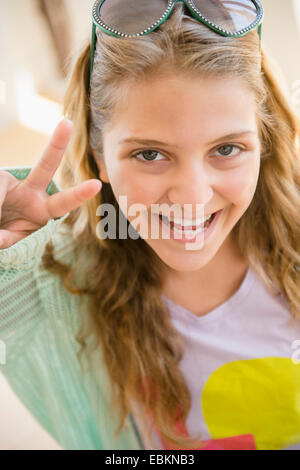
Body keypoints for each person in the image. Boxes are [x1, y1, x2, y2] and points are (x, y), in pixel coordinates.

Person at [1, 0, 300, 450]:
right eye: (150, 154)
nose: (193, 197)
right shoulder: (65, 281)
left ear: (263, 142)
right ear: (101, 158)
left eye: (226, 149)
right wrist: (9, 258)